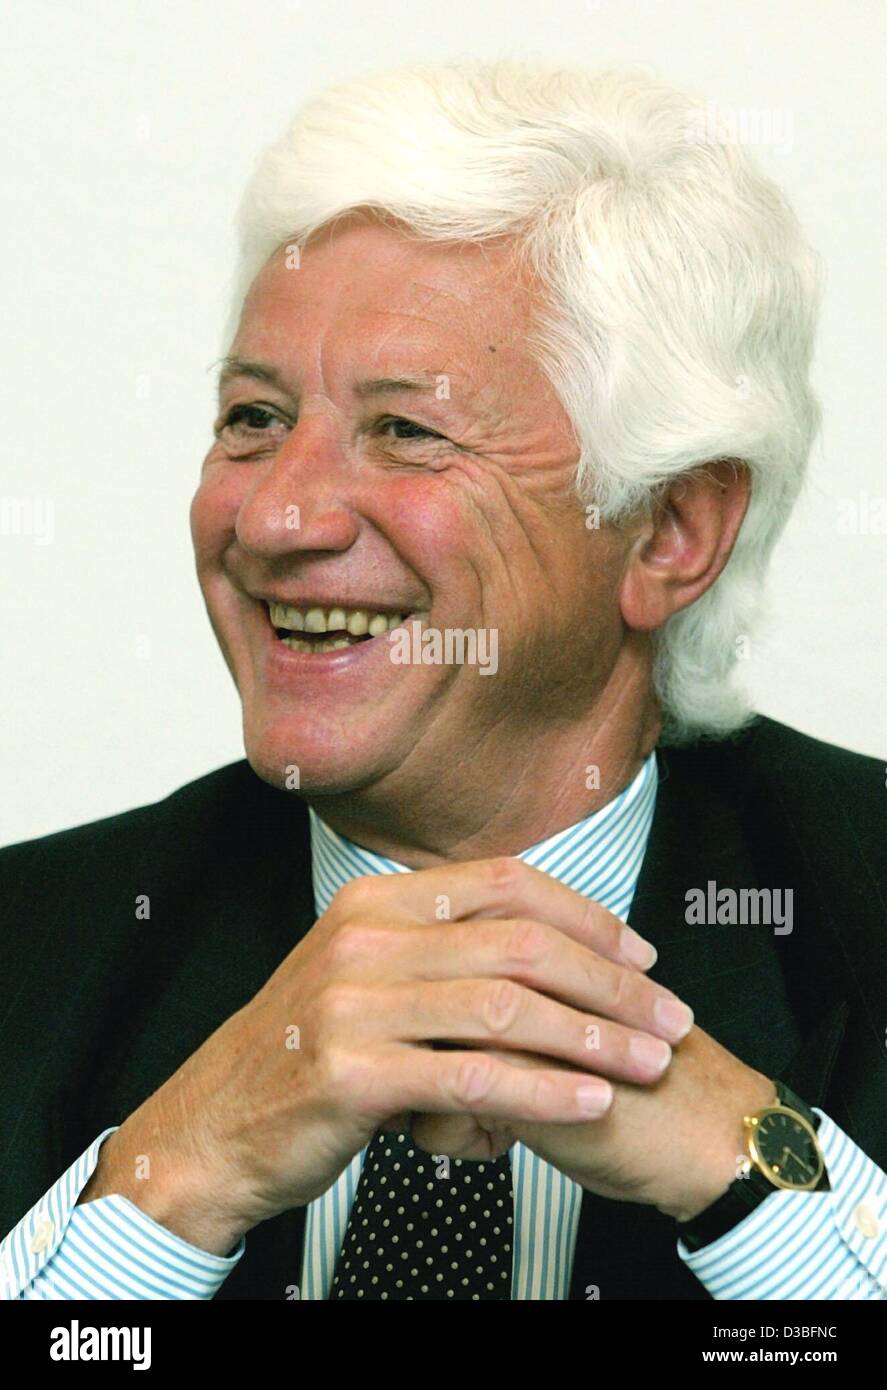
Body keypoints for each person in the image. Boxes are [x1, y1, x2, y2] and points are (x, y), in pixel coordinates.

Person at [1, 59, 884, 1302]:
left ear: (667, 531)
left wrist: (753, 1175)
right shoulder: (29, 946)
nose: (278, 514)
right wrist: (165, 1184)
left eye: (406, 430)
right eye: (253, 417)